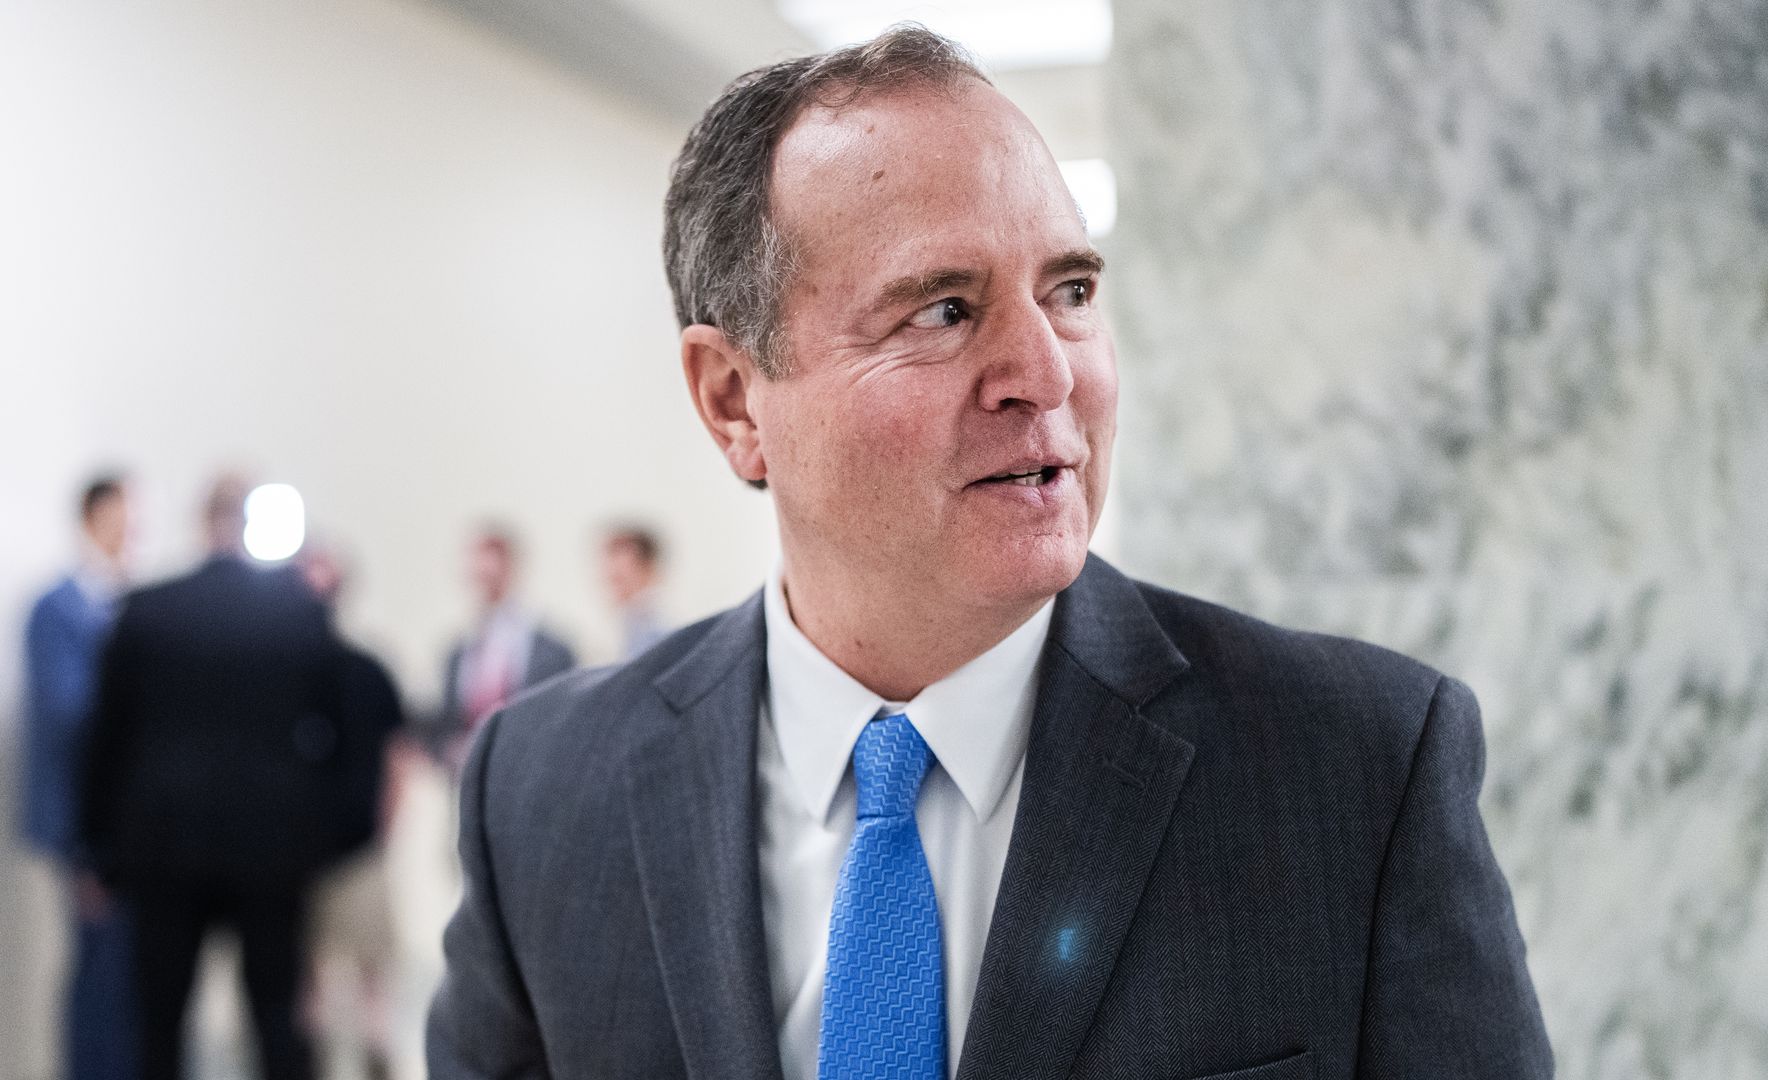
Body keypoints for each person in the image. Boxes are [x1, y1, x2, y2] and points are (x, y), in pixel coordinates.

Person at [429, 27, 1552, 1080]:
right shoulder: (541, 792)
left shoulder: (1355, 768)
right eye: (943, 310)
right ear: (732, 398)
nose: (1048, 373)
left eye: (1071, 291)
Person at [81, 476, 350, 1080]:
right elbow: (339, 734)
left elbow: (107, 740)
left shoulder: (147, 610)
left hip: (163, 845)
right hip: (272, 850)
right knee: (277, 1020)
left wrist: (97, 847)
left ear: (203, 522)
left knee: (159, 1025)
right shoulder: (299, 612)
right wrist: (328, 838)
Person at [20, 474, 138, 1080]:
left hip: (126, 818)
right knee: (99, 968)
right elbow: (68, 714)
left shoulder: (126, 602)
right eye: (126, 512)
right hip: (85, 822)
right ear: (97, 515)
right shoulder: (58, 608)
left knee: (125, 970)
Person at [297, 542, 405, 1080]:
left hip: (360, 849)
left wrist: (384, 828)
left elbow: (397, 757)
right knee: (307, 977)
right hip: (297, 853)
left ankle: (376, 1058)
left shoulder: (368, 670)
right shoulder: (281, 671)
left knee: (371, 970)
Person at [434, 527, 574, 772]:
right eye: (480, 576)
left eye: (493, 575)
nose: (486, 584)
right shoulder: (459, 653)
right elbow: (448, 722)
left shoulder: (550, 651)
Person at [602, 523, 669, 660]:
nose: (613, 589)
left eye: (619, 579)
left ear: (649, 570)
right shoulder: (631, 626)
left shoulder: (654, 632)